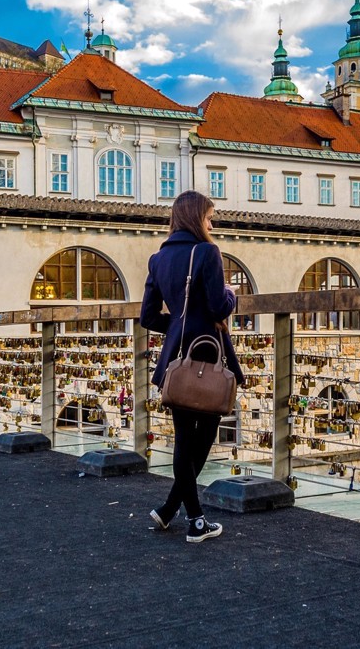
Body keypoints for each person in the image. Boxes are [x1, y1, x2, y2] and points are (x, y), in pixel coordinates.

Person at [140, 190, 244, 543]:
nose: (211, 225)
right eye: (209, 218)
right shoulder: (207, 252)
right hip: (206, 355)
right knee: (203, 436)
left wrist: (177, 326)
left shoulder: (158, 259)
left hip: (177, 358)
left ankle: (169, 509)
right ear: (196, 218)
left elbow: (148, 316)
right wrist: (231, 293)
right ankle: (196, 521)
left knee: (185, 437)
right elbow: (218, 306)